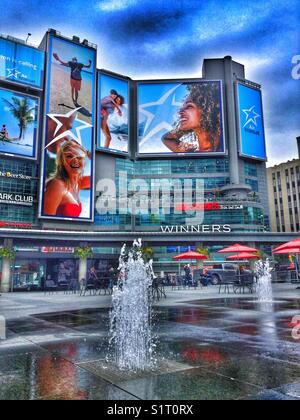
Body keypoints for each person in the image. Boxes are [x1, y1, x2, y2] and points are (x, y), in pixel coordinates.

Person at [162, 82, 222, 153]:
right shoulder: (193, 152)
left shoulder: (222, 149)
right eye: (182, 107)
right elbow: (166, 138)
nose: (180, 112)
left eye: (189, 106)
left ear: (207, 111)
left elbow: (167, 138)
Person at [44, 140, 91, 217]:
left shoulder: (78, 183)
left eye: (79, 156)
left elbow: (102, 177)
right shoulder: (57, 185)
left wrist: (86, 152)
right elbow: (45, 222)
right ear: (62, 161)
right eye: (69, 156)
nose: (75, 160)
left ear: (84, 162)